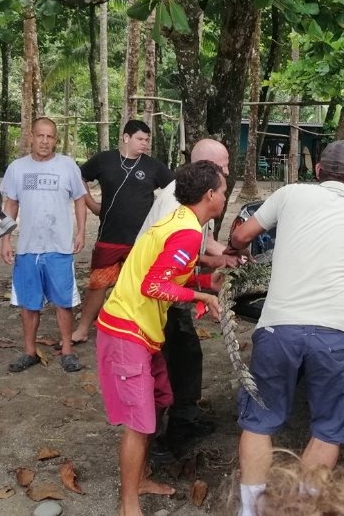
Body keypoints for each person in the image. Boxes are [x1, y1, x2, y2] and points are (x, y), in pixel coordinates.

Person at [227, 140, 344, 516]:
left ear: (317, 171)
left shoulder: (289, 194)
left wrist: (235, 248)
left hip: (279, 327)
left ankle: (250, 511)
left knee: (260, 421)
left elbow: (241, 237)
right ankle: (301, 508)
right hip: (336, 333)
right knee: (328, 428)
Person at [96, 160, 225, 516]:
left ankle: (140, 477)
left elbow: (166, 273)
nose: (225, 196)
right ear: (210, 195)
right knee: (139, 423)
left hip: (143, 331)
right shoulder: (186, 231)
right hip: (127, 329)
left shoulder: (183, 221)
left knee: (158, 400)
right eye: (224, 191)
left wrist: (202, 282)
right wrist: (202, 297)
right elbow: (153, 285)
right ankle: (129, 504)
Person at [138, 139, 240, 447]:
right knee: (174, 353)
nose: (227, 172)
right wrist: (206, 288)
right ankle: (165, 433)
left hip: (170, 286)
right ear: (205, 172)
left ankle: (182, 414)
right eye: (222, 167)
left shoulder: (191, 198)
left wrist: (228, 256)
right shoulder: (175, 204)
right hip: (157, 294)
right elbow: (174, 260)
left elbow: (201, 245)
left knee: (185, 351)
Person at [70, 119, 174, 345]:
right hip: (109, 236)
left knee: (141, 285)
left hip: (141, 240)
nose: (144, 144)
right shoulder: (104, 160)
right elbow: (78, 176)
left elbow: (175, 188)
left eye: (147, 140)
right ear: (126, 138)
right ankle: (83, 328)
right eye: (140, 139)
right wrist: (91, 203)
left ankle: (137, 329)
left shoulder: (153, 166)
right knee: (98, 284)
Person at [0, 117, 87, 373]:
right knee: (29, 303)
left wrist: (81, 231)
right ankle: (29, 352)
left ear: (55, 140)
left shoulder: (67, 166)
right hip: (28, 248)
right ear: (31, 137)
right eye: (40, 136)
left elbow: (80, 199)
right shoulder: (17, 168)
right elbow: (11, 206)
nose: (45, 141)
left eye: (50, 137)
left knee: (63, 301)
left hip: (59, 247)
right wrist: (5, 239)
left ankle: (67, 351)